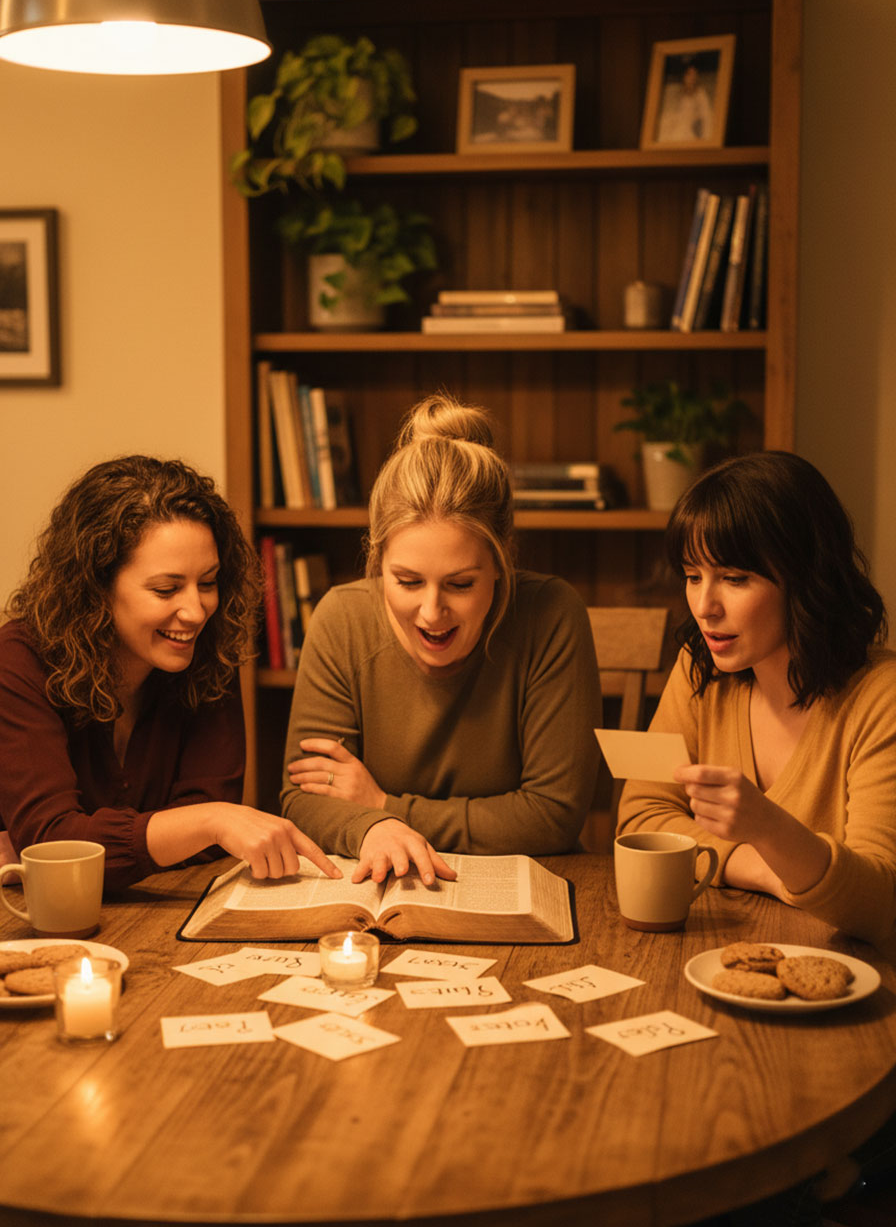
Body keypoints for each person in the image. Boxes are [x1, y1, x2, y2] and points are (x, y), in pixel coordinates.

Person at [282, 392, 602, 885]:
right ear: (377, 557)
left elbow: (552, 815)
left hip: (524, 887)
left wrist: (383, 808)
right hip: (378, 887)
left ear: (501, 561)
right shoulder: (342, 618)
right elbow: (303, 796)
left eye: (460, 584)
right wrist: (376, 830)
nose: (432, 613)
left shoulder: (552, 615)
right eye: (407, 582)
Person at [0, 455, 340, 893]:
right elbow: (53, 847)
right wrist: (206, 822)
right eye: (166, 589)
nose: (196, 611)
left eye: (209, 582)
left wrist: (195, 826)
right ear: (97, 586)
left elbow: (207, 833)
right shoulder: (20, 660)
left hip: (154, 913)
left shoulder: (208, 649)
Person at [617, 450, 896, 946]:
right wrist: (764, 867)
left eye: (734, 578)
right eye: (692, 575)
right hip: (729, 950)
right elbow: (643, 818)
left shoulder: (881, 698)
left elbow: (879, 902)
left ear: (806, 577)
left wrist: (769, 828)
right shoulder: (700, 670)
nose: (705, 607)